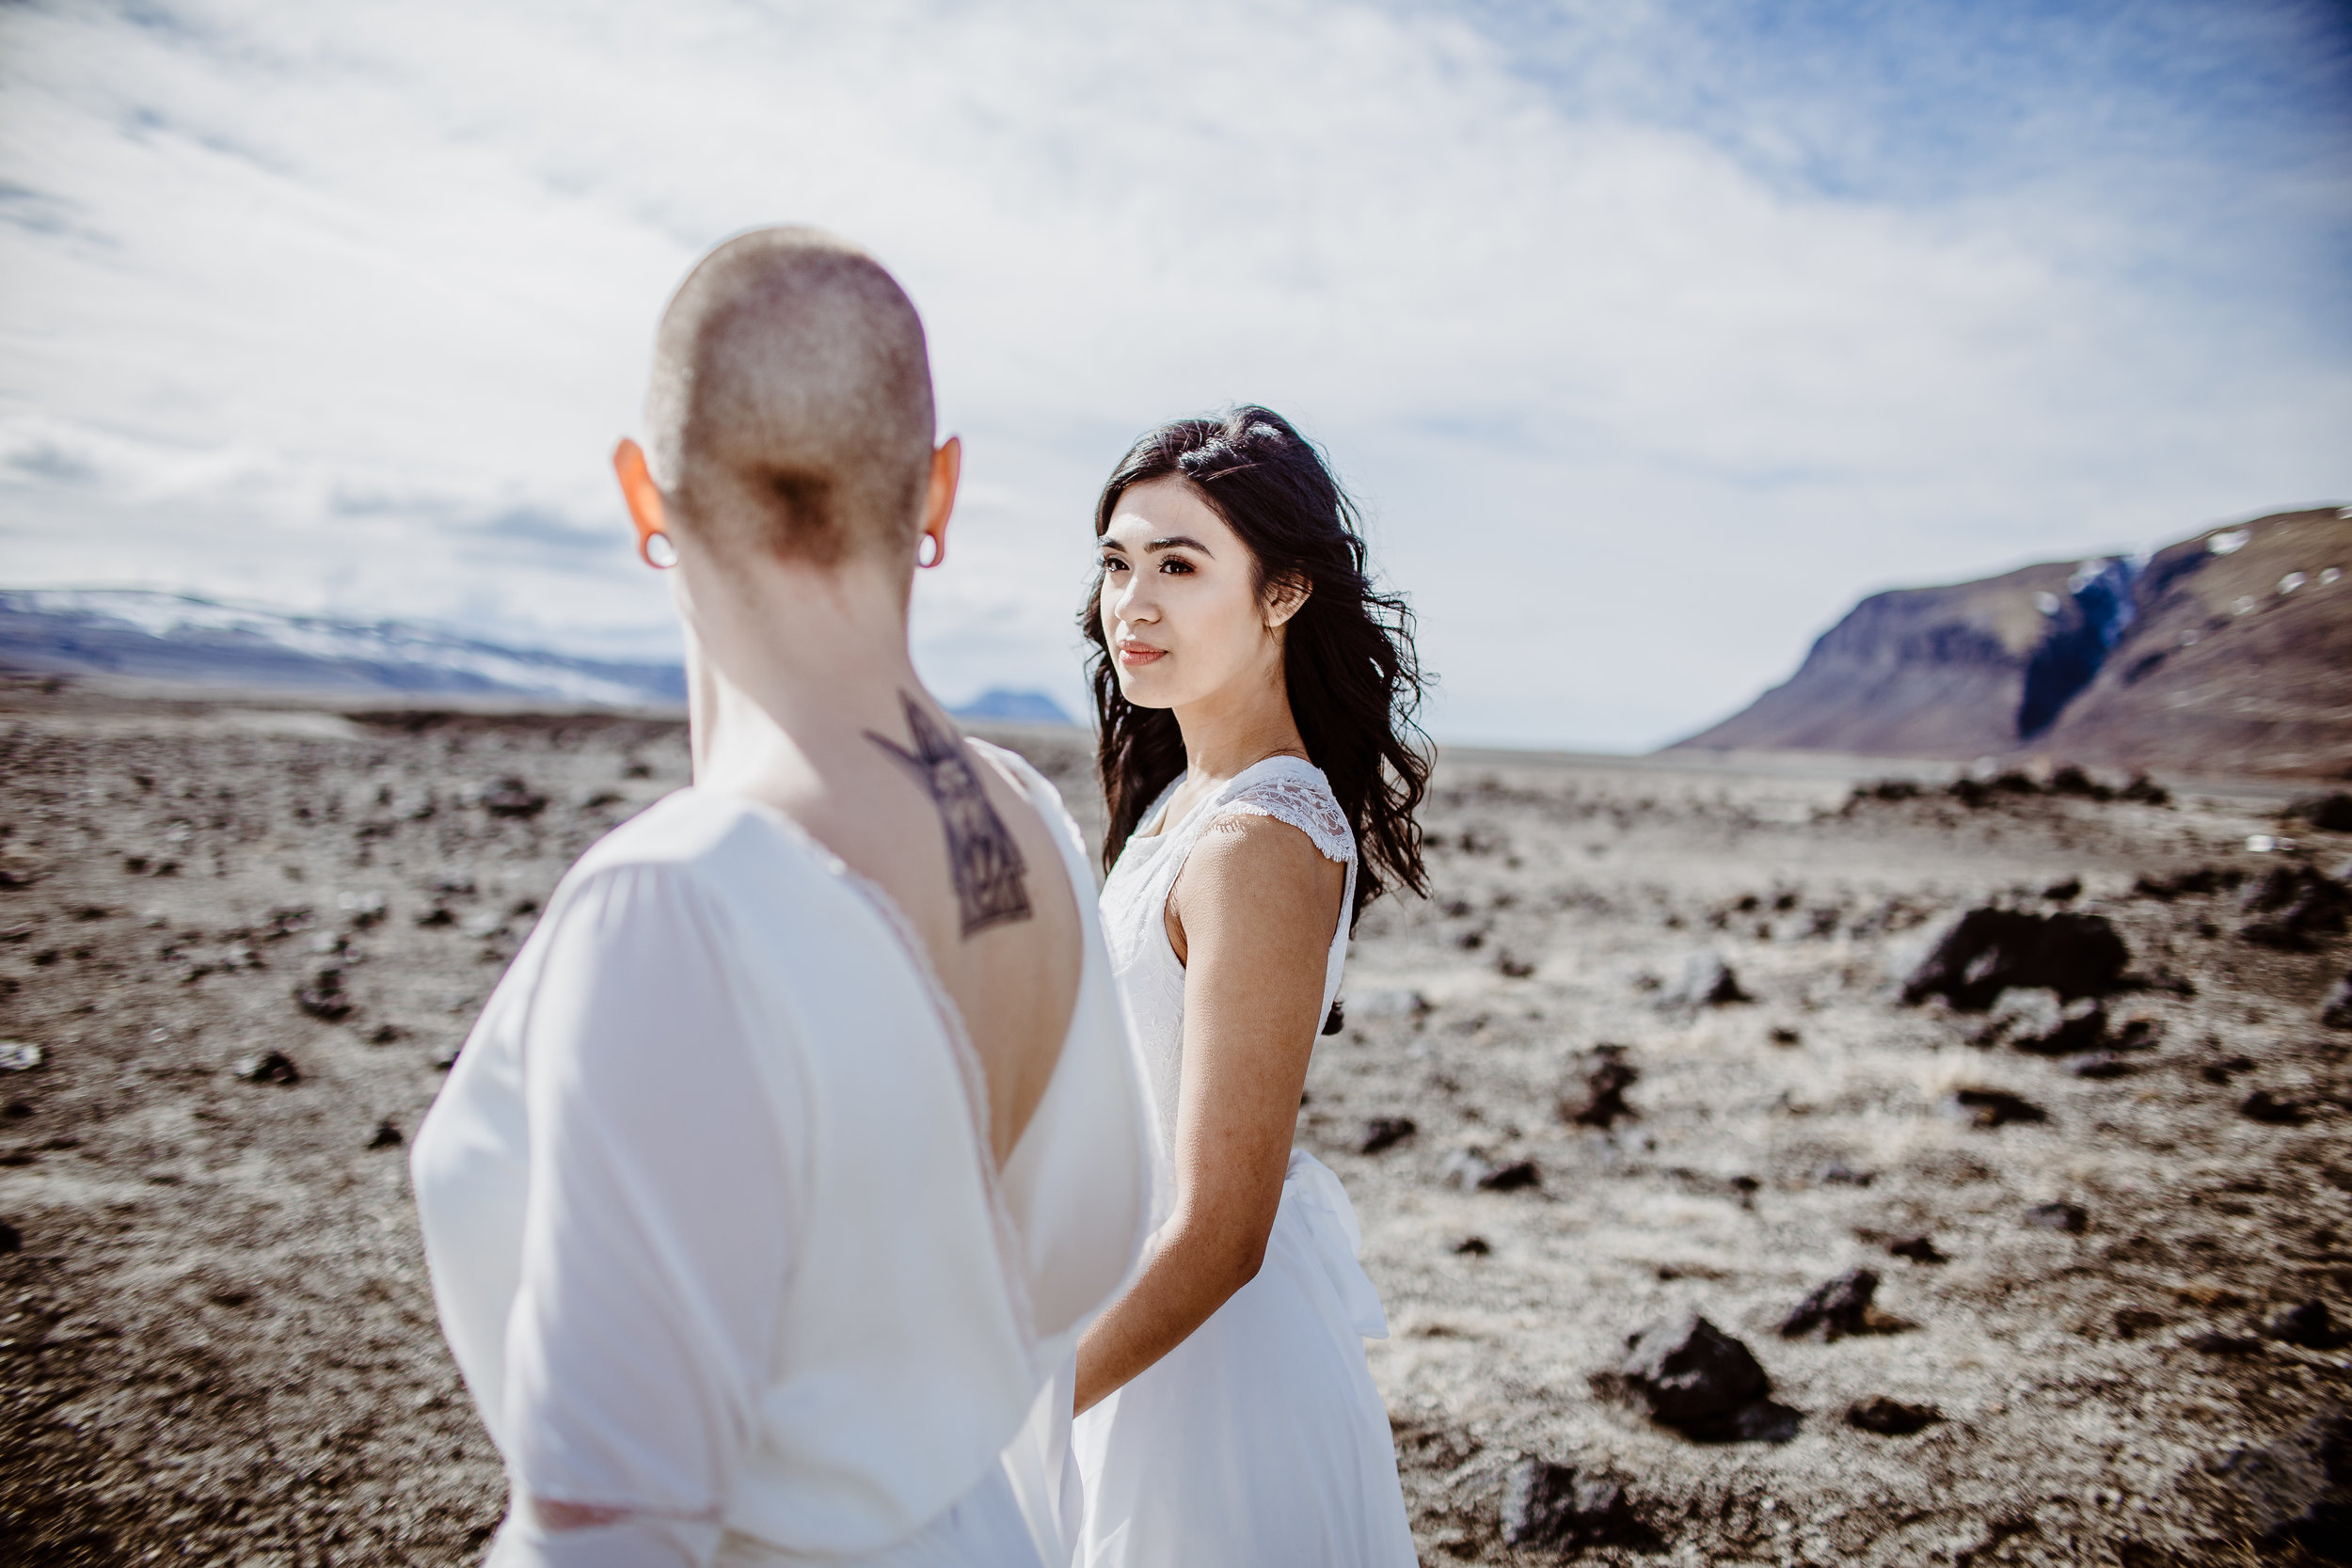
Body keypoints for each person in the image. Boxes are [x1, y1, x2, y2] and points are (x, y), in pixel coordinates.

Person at [409, 227, 1155, 1568]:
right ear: (941, 490)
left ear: (646, 492)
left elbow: (610, 1535)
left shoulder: (680, 904)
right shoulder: (1038, 827)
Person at [1069, 408, 1431, 1566]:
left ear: (1281, 594)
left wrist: (1005, 1411)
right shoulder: (1184, 800)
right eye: (1118, 562)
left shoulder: (1257, 840)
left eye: (1180, 565)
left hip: (1198, 1384)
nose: (1134, 601)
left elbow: (1224, 1231)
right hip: (1127, 1327)